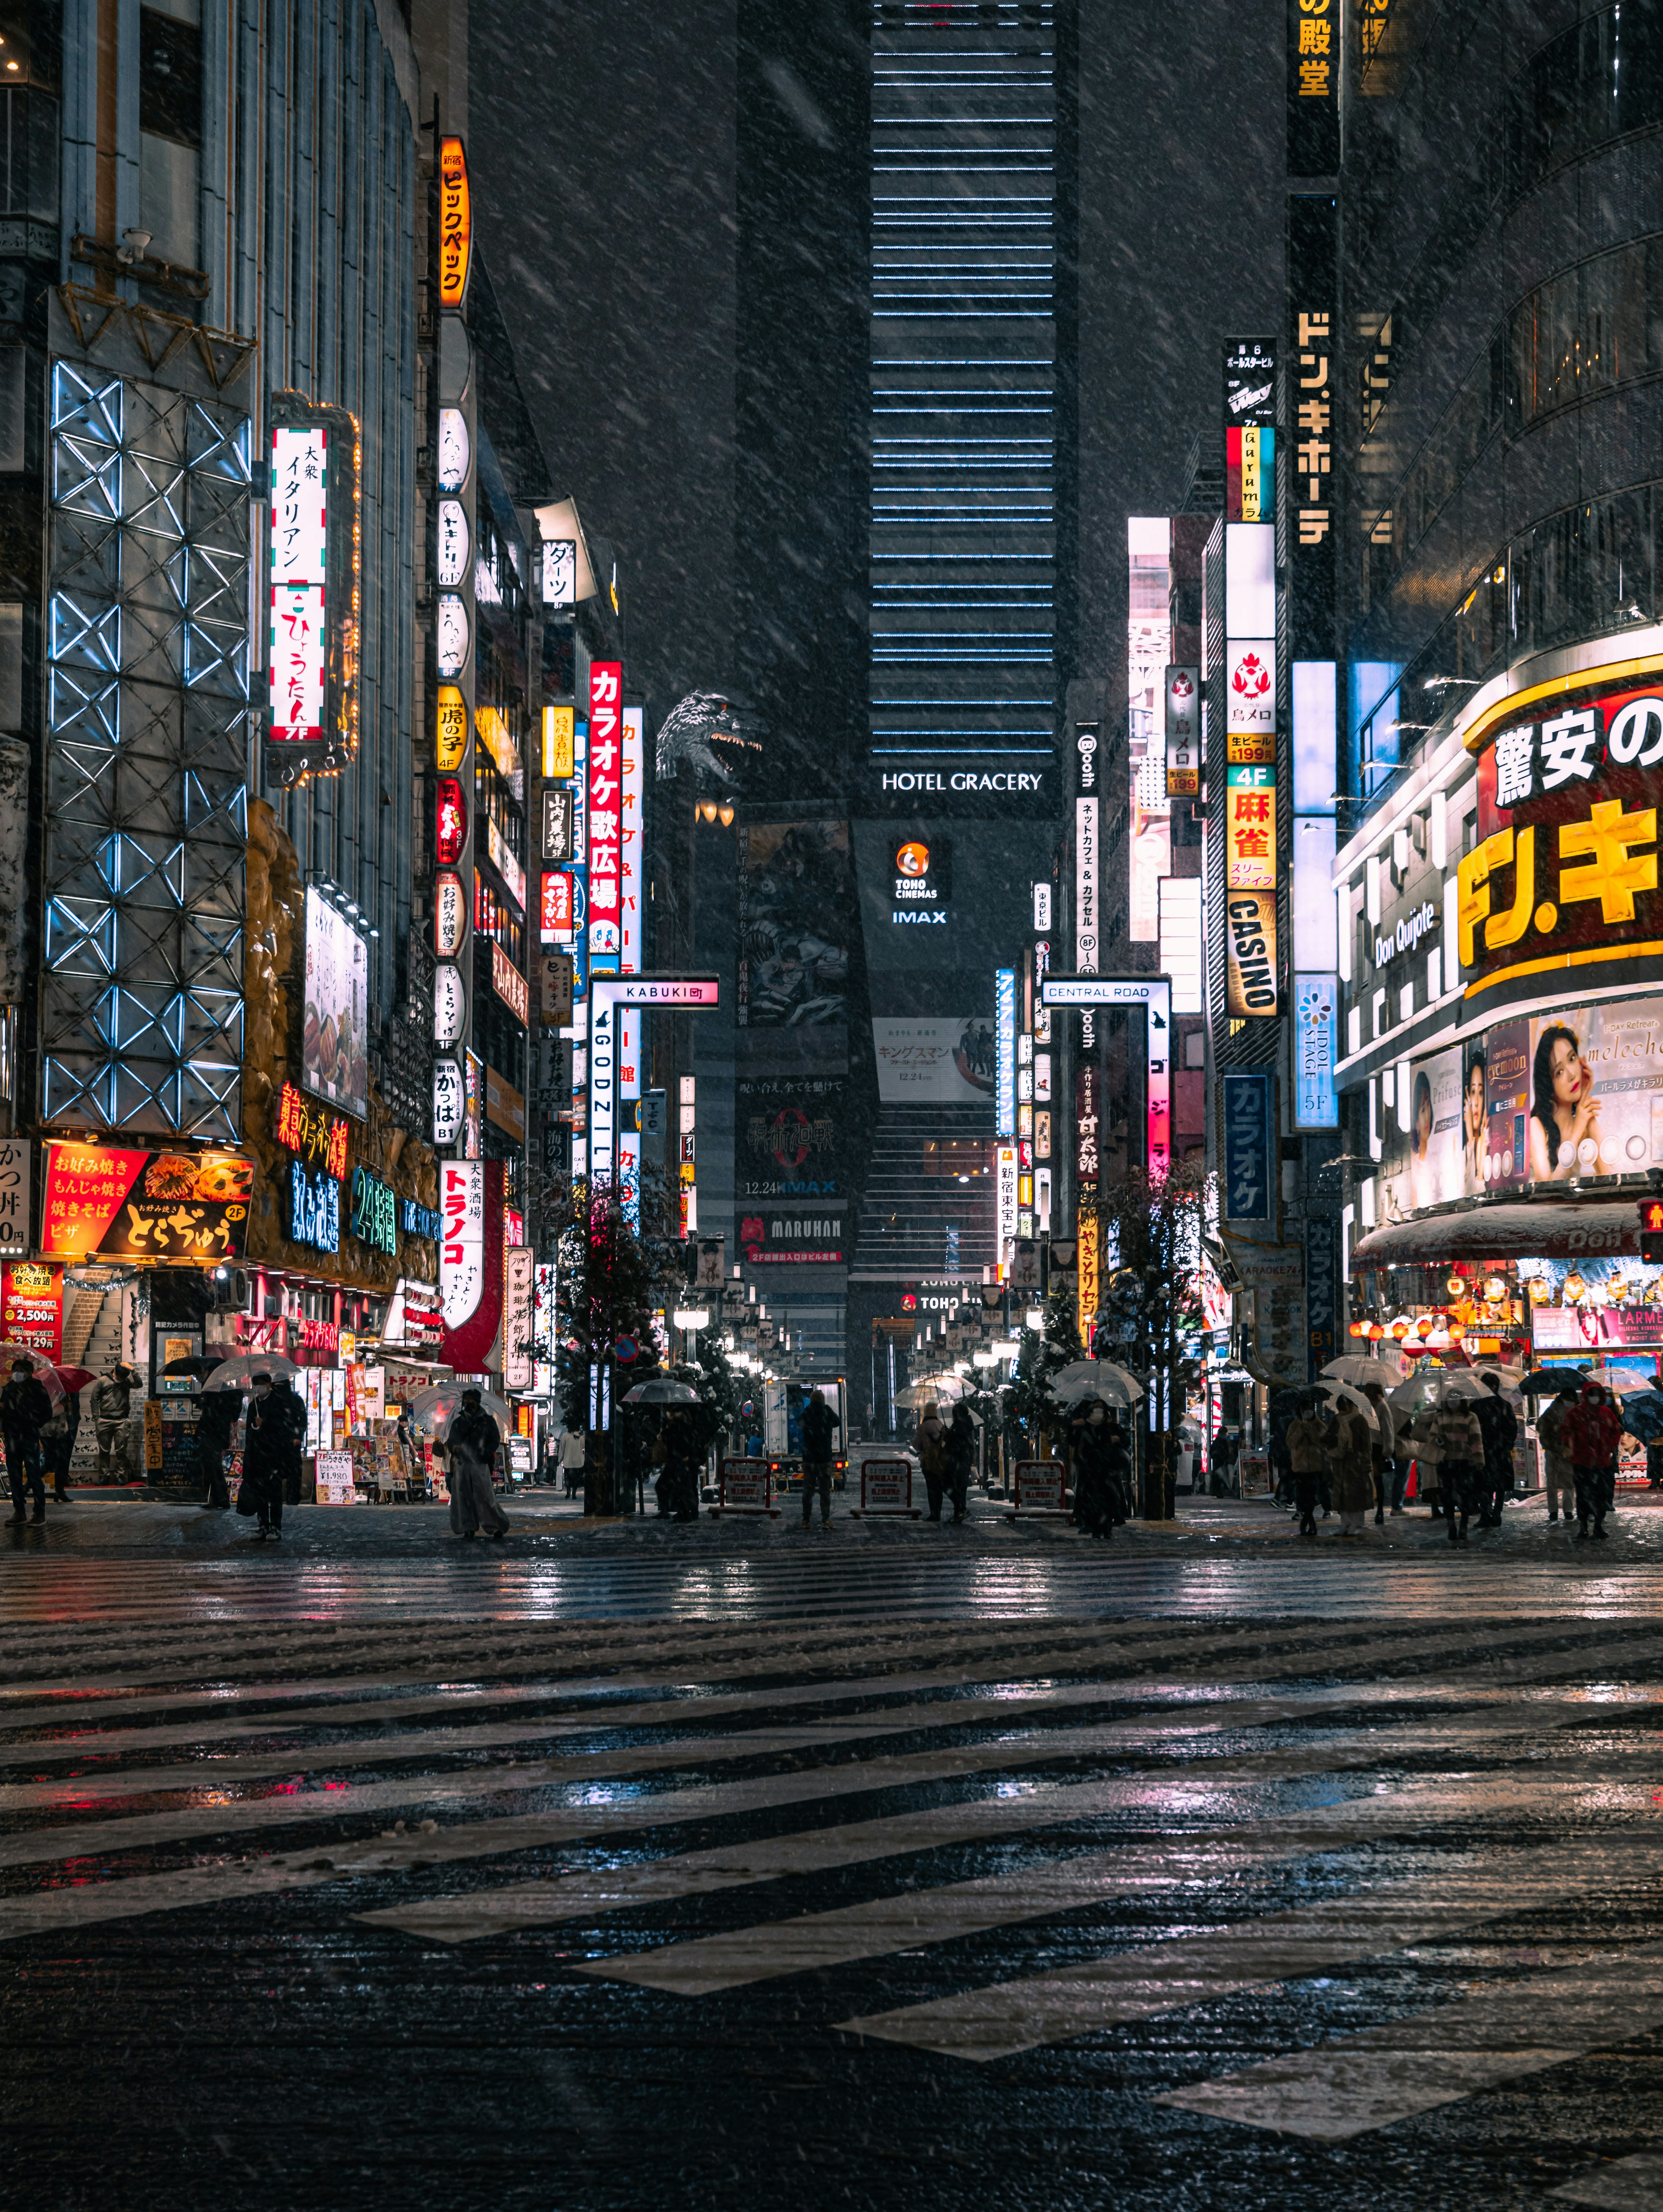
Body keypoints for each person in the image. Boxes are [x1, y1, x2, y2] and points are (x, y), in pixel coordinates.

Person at [1528, 1023, 1605, 1182]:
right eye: (1559, 1072)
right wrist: (1578, 1129)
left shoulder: (1584, 1119)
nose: (1572, 1074)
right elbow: (1547, 1190)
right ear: (1548, 1084)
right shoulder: (1537, 1125)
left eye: (1572, 1059)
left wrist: (1585, 1102)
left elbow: (1608, 1175)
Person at [446, 1388, 508, 1539]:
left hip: (481, 1464)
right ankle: (468, 1527)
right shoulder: (458, 1422)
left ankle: (496, 1526)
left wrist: (484, 1452)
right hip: (463, 1464)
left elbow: (494, 1441)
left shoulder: (487, 1421)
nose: (467, 1403)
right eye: (465, 1399)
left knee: (486, 1496)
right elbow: (452, 1440)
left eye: (470, 1399)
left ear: (477, 1401)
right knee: (463, 1497)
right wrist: (455, 1447)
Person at [1566, 1378, 1624, 1540]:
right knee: (1584, 1496)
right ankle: (1584, 1526)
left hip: (1602, 1462)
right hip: (1582, 1462)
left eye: (1597, 1394)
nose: (1594, 1397)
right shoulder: (1575, 1413)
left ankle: (1598, 1525)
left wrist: (1610, 1446)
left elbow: (1616, 1431)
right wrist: (1574, 1447)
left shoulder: (1606, 1413)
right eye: (1592, 1394)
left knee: (1601, 1496)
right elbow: (1567, 1432)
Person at [1428, 1390, 1485, 1544]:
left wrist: (1479, 1458)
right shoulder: (1439, 1418)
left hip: (1464, 1462)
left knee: (1465, 1496)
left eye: (1456, 1399)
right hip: (1446, 1462)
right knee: (1448, 1497)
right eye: (1450, 1399)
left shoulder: (1471, 1417)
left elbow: (1476, 1439)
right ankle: (1452, 1526)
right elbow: (1432, 1438)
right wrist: (1440, 1440)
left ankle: (1463, 1527)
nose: (1453, 1402)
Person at [2, 1359, 54, 1524]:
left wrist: (31, 1423)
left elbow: (47, 1412)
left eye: (19, 1370)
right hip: (11, 1437)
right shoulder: (9, 1389)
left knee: (33, 1475)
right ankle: (19, 1512)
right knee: (15, 1476)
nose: (16, 1373)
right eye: (14, 1370)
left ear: (29, 1372)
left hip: (29, 1437)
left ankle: (39, 1513)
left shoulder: (37, 1389)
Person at [239, 1373, 290, 1540]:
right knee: (260, 1493)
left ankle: (276, 1527)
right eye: (256, 1385)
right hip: (257, 1456)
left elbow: (282, 1428)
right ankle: (263, 1525)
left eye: (261, 1385)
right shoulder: (254, 1404)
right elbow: (250, 1430)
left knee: (274, 1493)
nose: (258, 1389)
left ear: (269, 1385)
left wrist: (265, 1424)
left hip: (273, 1456)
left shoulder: (278, 1402)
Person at [1473, 1370, 1519, 1528]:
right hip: (1491, 1451)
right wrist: (1506, 1445)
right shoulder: (1499, 1405)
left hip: (1491, 1451)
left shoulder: (1479, 1405)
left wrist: (1505, 1445)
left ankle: (1491, 1514)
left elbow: (1512, 1429)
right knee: (1490, 1485)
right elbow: (1512, 1429)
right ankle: (1490, 1513)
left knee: (1490, 1485)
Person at [1326, 1393, 1374, 1537]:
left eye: (1344, 1408)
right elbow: (1330, 1438)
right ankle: (1345, 1524)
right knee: (1342, 1496)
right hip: (1340, 1464)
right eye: (1340, 1409)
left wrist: (1366, 1464)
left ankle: (1357, 1524)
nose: (1342, 1412)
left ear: (1352, 1406)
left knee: (1356, 1496)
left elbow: (1366, 1445)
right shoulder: (1337, 1420)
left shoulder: (1360, 1421)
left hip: (1356, 1464)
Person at [1284, 1393, 1329, 1540]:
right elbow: (1291, 1443)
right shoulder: (1295, 1425)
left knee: (1312, 1497)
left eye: (1311, 1409)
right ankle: (1310, 1523)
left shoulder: (1319, 1424)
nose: (1309, 1412)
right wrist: (1301, 1431)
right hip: (1301, 1467)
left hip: (1317, 1466)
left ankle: (1307, 1523)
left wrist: (1312, 1432)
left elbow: (1325, 1442)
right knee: (1303, 1497)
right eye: (1306, 1409)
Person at [1536, 1378, 1580, 1524]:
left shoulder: (1557, 1410)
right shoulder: (1556, 1410)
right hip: (1560, 1450)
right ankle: (1562, 1511)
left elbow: (1541, 1427)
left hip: (1564, 1451)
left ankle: (1561, 1511)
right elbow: (1542, 1428)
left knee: (1564, 1482)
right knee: (1559, 1482)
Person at [1071, 1402, 1115, 1539]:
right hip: (1090, 1470)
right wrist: (1074, 1427)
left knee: (1107, 1501)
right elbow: (1073, 1442)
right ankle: (1096, 1527)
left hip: (1105, 1470)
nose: (1098, 1412)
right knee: (1093, 1501)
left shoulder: (1109, 1428)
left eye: (1101, 1410)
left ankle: (1105, 1528)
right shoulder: (1084, 1428)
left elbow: (1120, 1444)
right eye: (1096, 1409)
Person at [194, 1387, 242, 1509]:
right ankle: (219, 1498)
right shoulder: (216, 1393)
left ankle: (221, 1499)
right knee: (213, 1467)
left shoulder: (219, 1393)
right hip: (213, 1434)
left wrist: (208, 1405)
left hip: (214, 1434)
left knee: (214, 1467)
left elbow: (218, 1415)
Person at [799, 1387, 837, 1529]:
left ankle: (806, 1520)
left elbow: (799, 1424)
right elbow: (838, 1422)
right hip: (825, 1458)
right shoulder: (827, 1411)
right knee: (824, 1490)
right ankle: (826, 1520)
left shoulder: (808, 1412)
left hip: (809, 1458)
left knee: (808, 1491)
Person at [1360, 1379, 1398, 1519]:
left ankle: (1374, 1509)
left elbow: (1387, 1430)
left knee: (1368, 1478)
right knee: (1376, 1479)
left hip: (1367, 1446)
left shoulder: (1370, 1406)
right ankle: (1379, 1510)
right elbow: (1388, 1430)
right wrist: (1388, 1450)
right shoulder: (1380, 1405)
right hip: (1375, 1447)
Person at [91, 1364, 135, 1482]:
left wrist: (133, 1371)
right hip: (104, 1419)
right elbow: (94, 1399)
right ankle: (103, 1476)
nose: (120, 1381)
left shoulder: (126, 1381)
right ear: (115, 1372)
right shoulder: (103, 1380)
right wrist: (97, 1418)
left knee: (121, 1450)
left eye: (123, 1379)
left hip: (122, 1420)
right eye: (119, 1378)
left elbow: (139, 1384)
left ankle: (119, 1476)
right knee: (104, 1451)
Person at [41, 1384, 80, 1504]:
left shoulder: (70, 1391)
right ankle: (29, 1485)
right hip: (49, 1433)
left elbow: (73, 1409)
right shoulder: (49, 1391)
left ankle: (60, 1491)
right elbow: (48, 1412)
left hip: (63, 1431)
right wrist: (60, 1408)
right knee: (50, 1462)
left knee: (62, 1462)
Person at [915, 1399, 950, 1522]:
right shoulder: (940, 1425)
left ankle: (934, 1513)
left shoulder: (923, 1427)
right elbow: (946, 1443)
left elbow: (917, 1446)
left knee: (931, 1489)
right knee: (939, 1488)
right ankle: (939, 1512)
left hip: (928, 1462)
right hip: (940, 1462)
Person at [1462, 1045, 1488, 1195]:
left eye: (1481, 1092)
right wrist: (1469, 1131)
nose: (1476, 1102)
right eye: (1473, 1092)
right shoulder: (1462, 1154)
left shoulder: (1490, 1145)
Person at [943, 1400, 975, 1522]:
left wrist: (948, 1434)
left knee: (948, 1485)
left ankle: (961, 1509)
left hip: (957, 1461)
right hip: (965, 1460)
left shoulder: (959, 1427)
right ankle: (959, 1513)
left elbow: (952, 1443)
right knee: (961, 1488)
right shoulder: (968, 1425)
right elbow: (971, 1444)